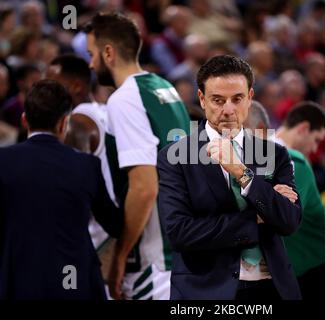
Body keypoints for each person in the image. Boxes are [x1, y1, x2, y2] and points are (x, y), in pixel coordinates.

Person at [157, 55, 302, 300]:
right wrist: (256, 217)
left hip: (273, 288)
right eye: (218, 100)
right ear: (202, 99)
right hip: (206, 292)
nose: (228, 110)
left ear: (250, 97)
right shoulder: (175, 156)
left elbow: (289, 221)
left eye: (237, 99)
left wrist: (242, 173)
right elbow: (180, 233)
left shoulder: (274, 153)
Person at [85, 12, 190, 300]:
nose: (90, 63)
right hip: (180, 252)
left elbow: (144, 187)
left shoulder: (125, 100)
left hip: (152, 263)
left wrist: (120, 255)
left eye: (91, 53)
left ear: (108, 52)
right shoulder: (165, 87)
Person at [0, 80, 123, 299]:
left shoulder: (4, 161)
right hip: (72, 278)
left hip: (18, 278)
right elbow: (115, 224)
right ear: (64, 123)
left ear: (24, 120)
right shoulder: (86, 166)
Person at [245, 100, 325, 300]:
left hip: (324, 267)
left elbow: (283, 216)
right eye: (316, 140)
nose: (315, 149)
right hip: (293, 275)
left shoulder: (292, 161)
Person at [46, 54, 116, 254]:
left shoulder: (75, 122)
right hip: (116, 228)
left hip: (92, 237)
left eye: (52, 82)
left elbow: (73, 187)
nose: (46, 89)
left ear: (76, 87)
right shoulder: (107, 111)